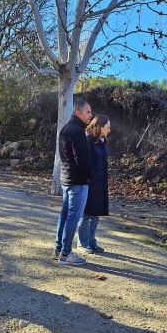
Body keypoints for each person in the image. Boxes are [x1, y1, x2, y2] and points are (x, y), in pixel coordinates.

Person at [54, 99, 93, 266]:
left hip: (67, 179)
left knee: (65, 215)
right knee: (73, 217)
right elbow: (81, 160)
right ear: (77, 112)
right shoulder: (77, 131)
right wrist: (90, 175)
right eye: (88, 112)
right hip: (77, 181)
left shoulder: (66, 129)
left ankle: (59, 249)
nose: (91, 116)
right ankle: (66, 253)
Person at [77, 115, 111, 254]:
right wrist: (88, 180)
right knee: (85, 214)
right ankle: (82, 243)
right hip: (89, 183)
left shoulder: (102, 141)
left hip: (100, 183)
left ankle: (92, 241)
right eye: (108, 126)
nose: (110, 129)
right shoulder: (88, 141)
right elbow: (85, 162)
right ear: (100, 127)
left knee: (95, 214)